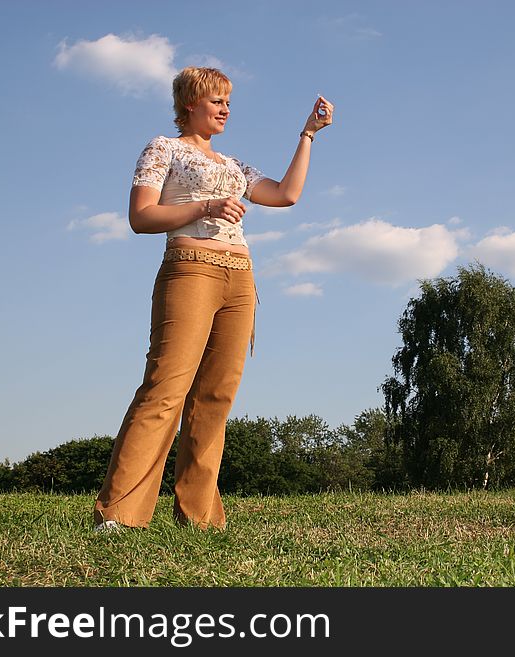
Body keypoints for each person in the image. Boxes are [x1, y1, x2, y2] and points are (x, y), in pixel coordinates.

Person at [93, 67, 333, 531]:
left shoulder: (233, 165)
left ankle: (199, 519)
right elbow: (141, 216)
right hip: (190, 268)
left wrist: (309, 133)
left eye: (228, 102)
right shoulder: (164, 148)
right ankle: (119, 515)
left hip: (240, 277)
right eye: (216, 101)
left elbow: (286, 195)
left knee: (216, 396)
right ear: (189, 104)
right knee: (166, 387)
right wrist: (205, 206)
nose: (225, 109)